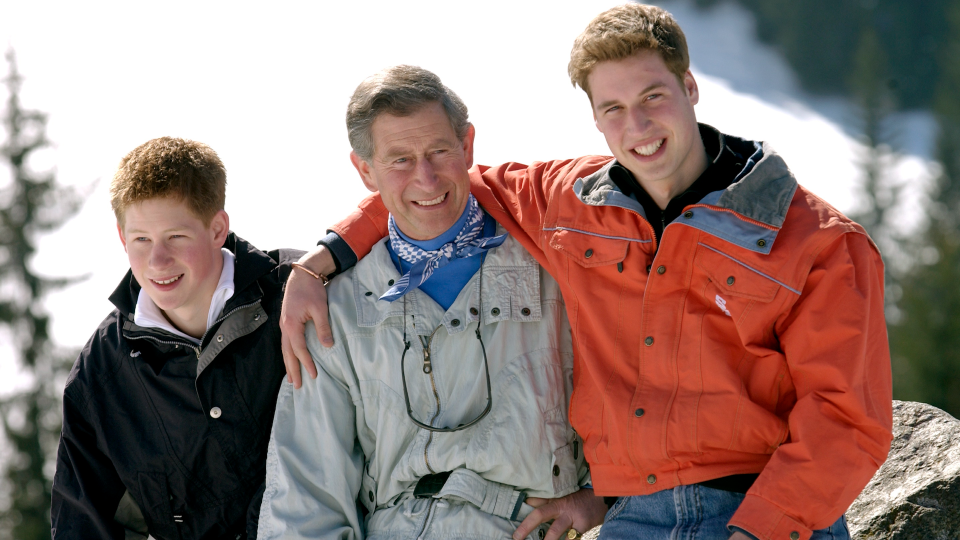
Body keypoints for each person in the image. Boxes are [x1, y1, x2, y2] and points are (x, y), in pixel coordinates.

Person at [279, 5, 893, 540]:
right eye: (614, 108)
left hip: (756, 511)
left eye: (653, 96)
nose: (639, 127)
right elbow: (437, 190)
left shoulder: (817, 241)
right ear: (596, 118)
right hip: (635, 518)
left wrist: (757, 533)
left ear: (690, 85)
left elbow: (846, 420)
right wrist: (324, 258)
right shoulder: (567, 203)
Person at [257, 65, 607, 540]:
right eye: (399, 159)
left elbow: (639, 397)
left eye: (439, 150)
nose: (425, 178)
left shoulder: (558, 268)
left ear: (467, 146)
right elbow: (306, 497)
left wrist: (604, 497)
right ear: (365, 170)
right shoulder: (333, 310)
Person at [50, 137, 301, 539]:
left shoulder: (298, 294)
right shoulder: (102, 369)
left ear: (217, 228)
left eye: (176, 237)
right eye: (141, 240)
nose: (157, 261)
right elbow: (81, 521)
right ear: (122, 237)